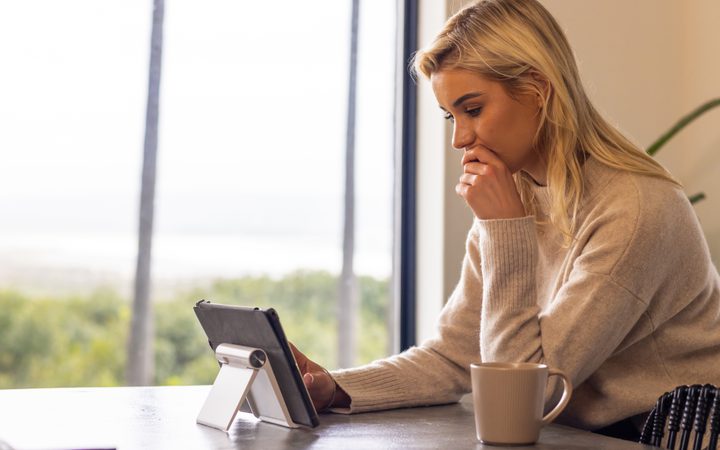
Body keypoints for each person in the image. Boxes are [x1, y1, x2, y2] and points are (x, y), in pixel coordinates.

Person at [291, 0, 720, 441]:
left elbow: (526, 395)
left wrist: (503, 230)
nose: (460, 138)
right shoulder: (516, 196)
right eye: (450, 116)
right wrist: (336, 387)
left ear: (537, 90)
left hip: (669, 437)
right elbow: (455, 356)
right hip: (579, 437)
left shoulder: (634, 209)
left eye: (473, 109)